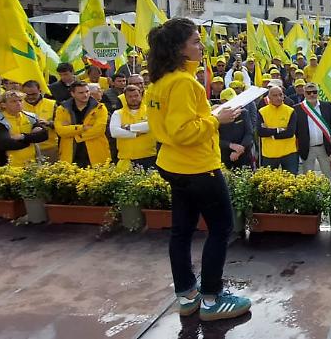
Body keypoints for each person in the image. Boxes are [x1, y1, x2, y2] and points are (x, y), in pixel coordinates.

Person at [145, 17, 251, 322]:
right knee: (221, 229)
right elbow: (183, 131)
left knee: (181, 231)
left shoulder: (161, 81)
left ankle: (188, 295)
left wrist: (213, 114)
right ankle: (212, 298)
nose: (201, 46)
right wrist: (218, 120)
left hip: (174, 165)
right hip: (197, 168)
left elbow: (174, 126)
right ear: (179, 49)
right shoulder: (182, 82)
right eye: (195, 41)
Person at [0, 90, 48, 167]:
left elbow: (44, 135)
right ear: (3, 104)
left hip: (31, 164)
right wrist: (31, 139)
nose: (18, 103)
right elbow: (5, 144)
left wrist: (23, 136)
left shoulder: (30, 117)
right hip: (6, 166)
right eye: (13, 101)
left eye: (20, 100)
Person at [54, 81, 110, 166]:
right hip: (70, 154)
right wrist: (82, 128)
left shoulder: (100, 108)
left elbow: (99, 130)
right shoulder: (62, 109)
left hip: (96, 154)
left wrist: (74, 134)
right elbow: (60, 131)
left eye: (87, 91)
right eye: (81, 92)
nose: (85, 95)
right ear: (72, 94)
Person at [109, 85, 158, 170]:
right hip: (126, 160)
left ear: (141, 96)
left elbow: (151, 125)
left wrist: (128, 127)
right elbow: (114, 132)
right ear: (125, 98)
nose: (133, 98)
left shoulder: (150, 111)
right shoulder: (118, 113)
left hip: (149, 158)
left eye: (136, 96)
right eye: (130, 96)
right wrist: (135, 134)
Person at [295, 82, 331, 178]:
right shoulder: (297, 109)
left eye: (314, 92)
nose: (312, 94)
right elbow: (296, 129)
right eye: (309, 93)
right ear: (304, 94)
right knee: (308, 178)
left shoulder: (327, 106)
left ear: (318, 93)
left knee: (328, 176)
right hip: (307, 148)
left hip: (323, 147)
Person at [259, 85, 300, 173]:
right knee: (268, 184)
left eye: (280, 95)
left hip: (289, 153)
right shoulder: (262, 112)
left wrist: (271, 134)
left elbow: (290, 133)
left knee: (291, 182)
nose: (279, 98)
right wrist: (278, 130)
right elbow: (260, 132)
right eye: (275, 95)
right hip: (269, 154)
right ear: (269, 97)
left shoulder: (290, 111)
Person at [219, 84, 256, 170]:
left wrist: (239, 149)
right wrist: (231, 145)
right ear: (222, 101)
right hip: (225, 155)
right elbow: (215, 138)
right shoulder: (217, 116)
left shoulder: (243, 112)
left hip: (243, 154)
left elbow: (249, 133)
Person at [21, 80, 58, 161]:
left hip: (49, 148)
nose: (30, 97)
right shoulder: (18, 105)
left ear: (40, 91)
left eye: (34, 94)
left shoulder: (51, 104)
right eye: (27, 94)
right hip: (27, 148)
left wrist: (49, 123)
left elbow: (62, 124)